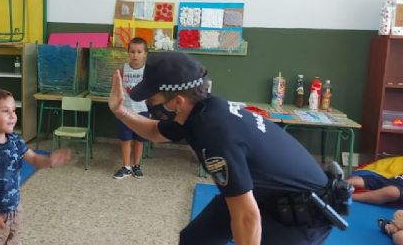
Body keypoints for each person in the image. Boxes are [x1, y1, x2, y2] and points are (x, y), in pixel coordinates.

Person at [108, 51, 346, 245]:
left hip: (302, 213)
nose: (150, 106)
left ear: (177, 101)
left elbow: (246, 216)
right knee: (195, 240)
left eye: (152, 101)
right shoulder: (196, 112)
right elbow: (155, 132)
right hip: (262, 193)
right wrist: (120, 111)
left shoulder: (214, 134)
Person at [0, 88, 71, 245]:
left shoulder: (15, 140)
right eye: (5, 111)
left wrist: (49, 160)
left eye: (14, 110)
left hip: (14, 209)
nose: (13, 116)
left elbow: (34, 159)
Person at [113, 37, 149, 179]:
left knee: (139, 140)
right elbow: (117, 88)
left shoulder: (148, 71)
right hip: (125, 111)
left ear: (145, 53)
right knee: (125, 140)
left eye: (139, 52)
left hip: (143, 110)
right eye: (132, 51)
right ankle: (126, 167)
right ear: (128, 53)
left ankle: (136, 166)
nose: (135, 55)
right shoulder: (123, 68)